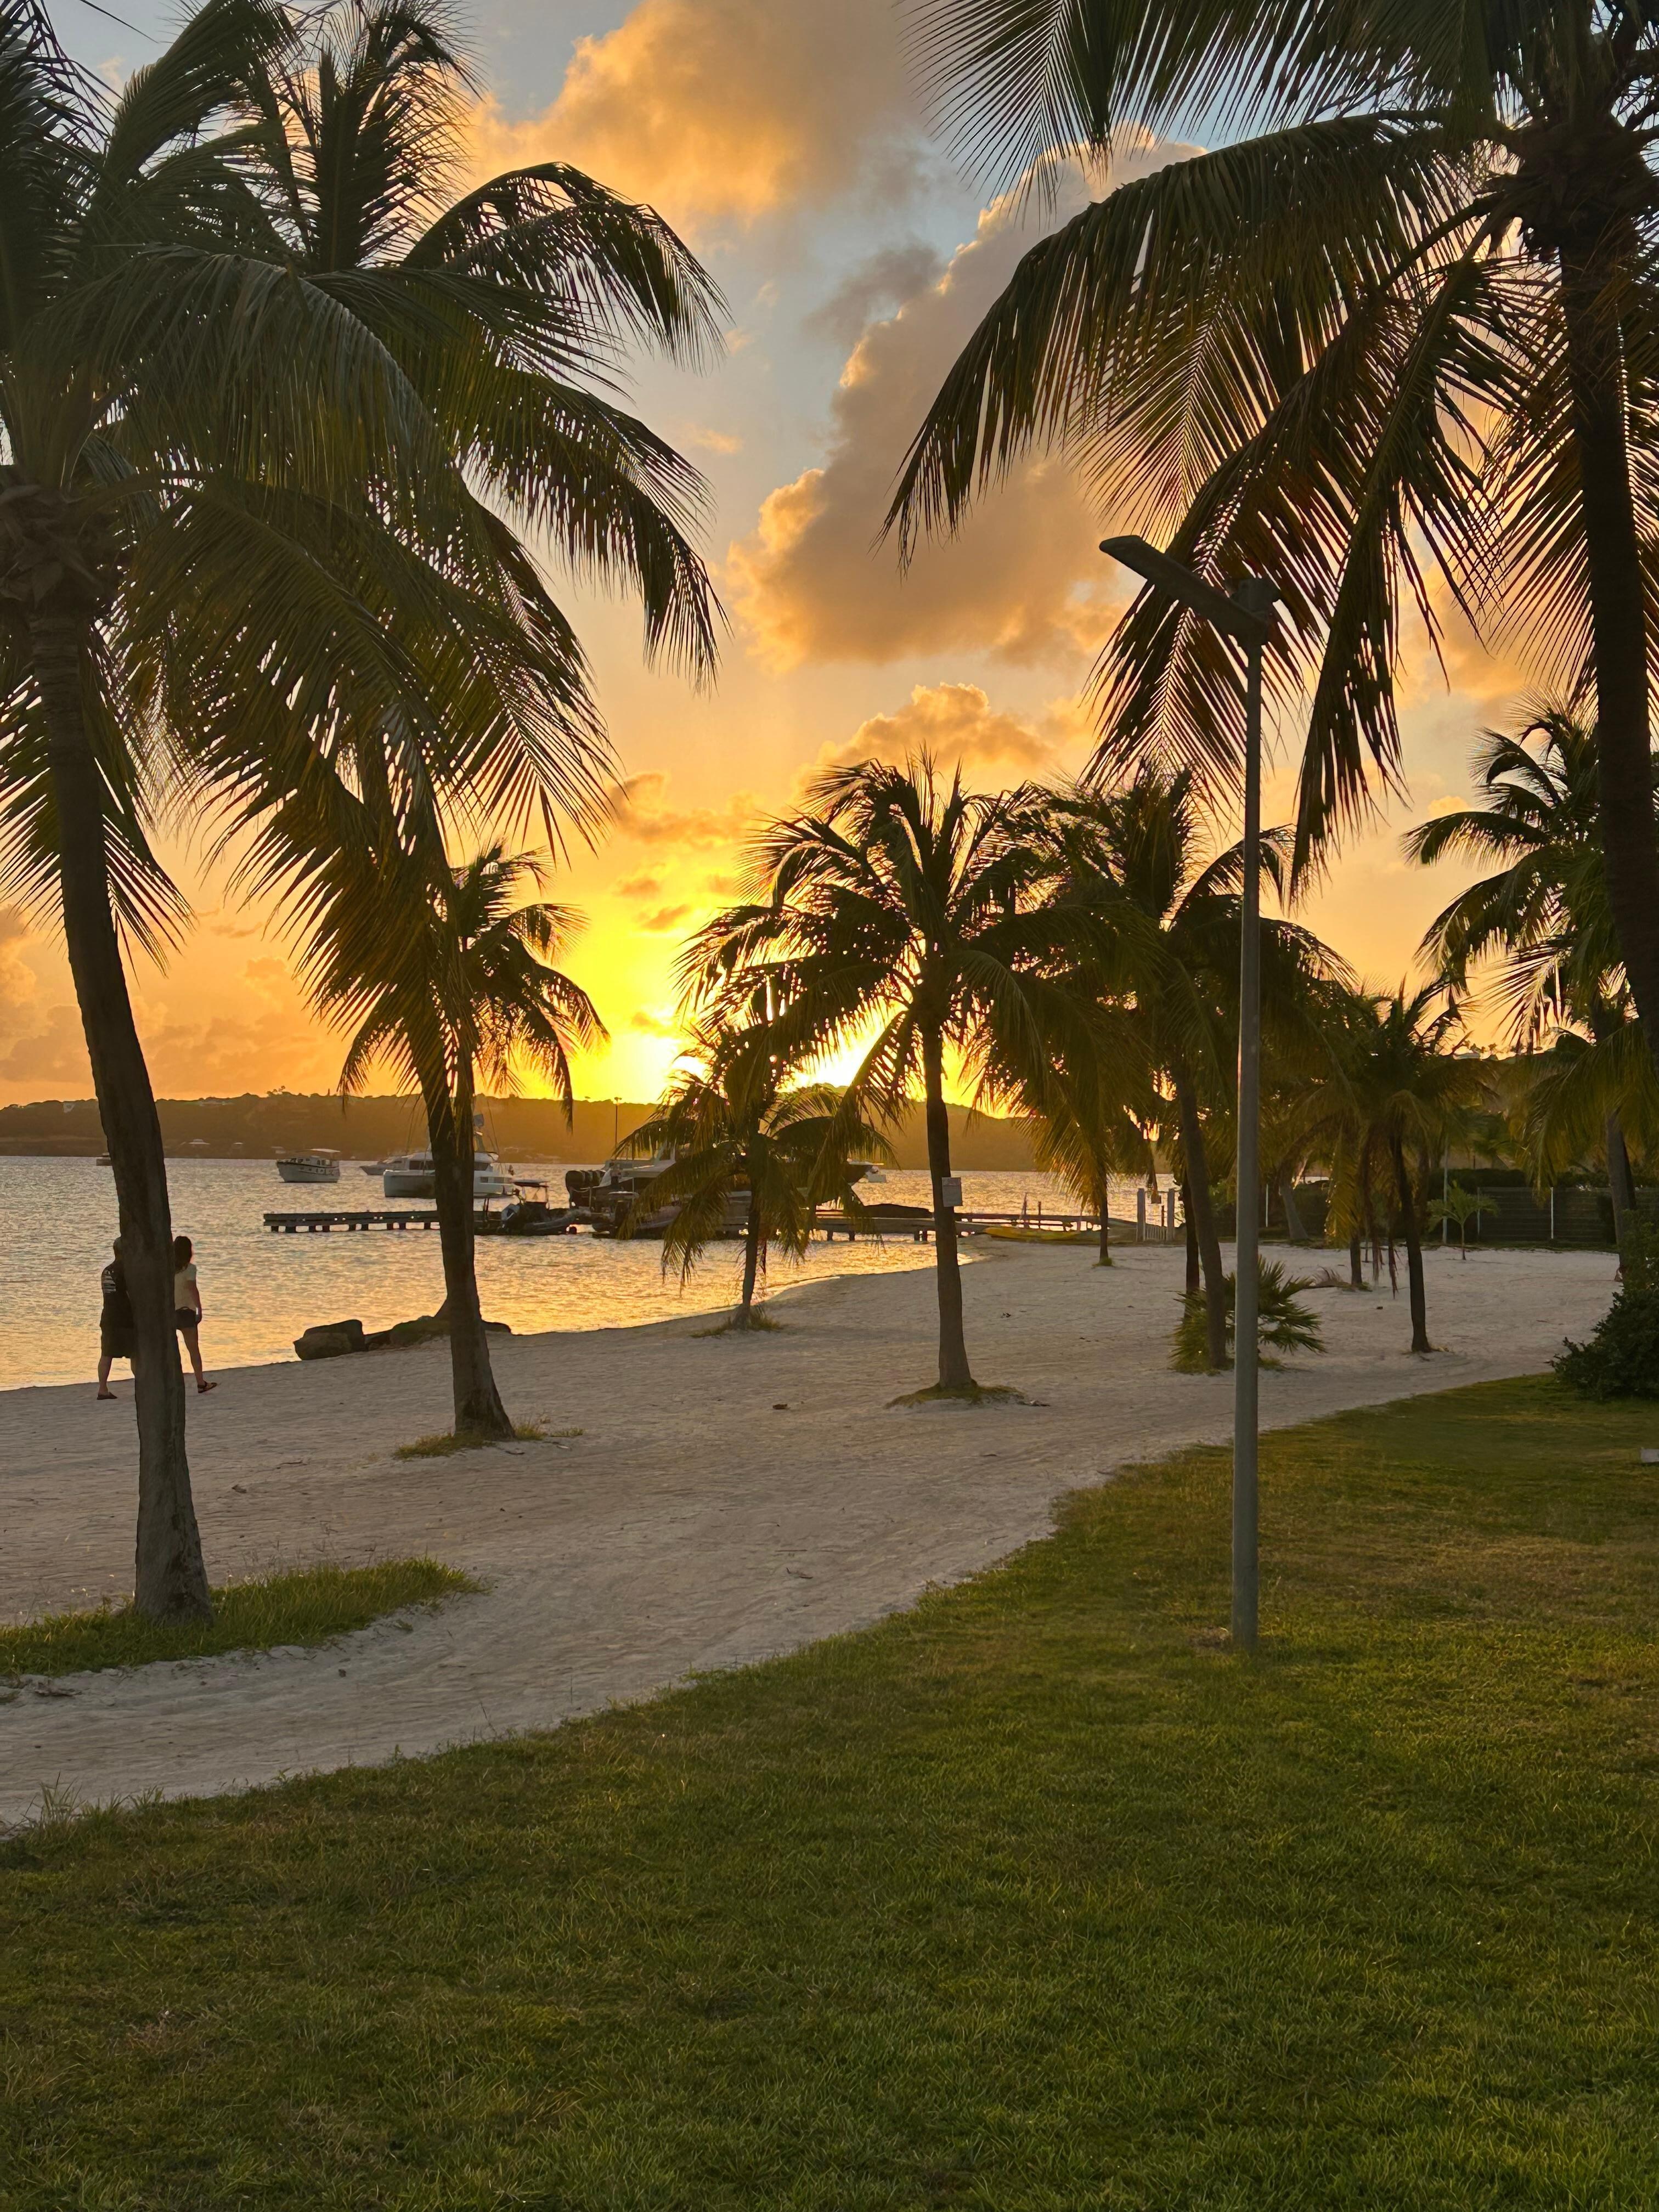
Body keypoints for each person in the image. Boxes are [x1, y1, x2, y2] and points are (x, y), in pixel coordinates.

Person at [174, 1234, 216, 1393]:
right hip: (186, 1312)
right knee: (193, 1350)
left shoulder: (167, 1269)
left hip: (171, 1312)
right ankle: (200, 1382)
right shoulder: (190, 1269)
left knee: (171, 1350)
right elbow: (193, 1289)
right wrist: (199, 1308)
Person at [97, 1238, 134, 1399]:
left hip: (108, 1315)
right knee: (135, 1353)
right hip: (125, 1318)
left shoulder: (107, 1271)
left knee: (107, 1353)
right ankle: (142, 1384)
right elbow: (130, 1295)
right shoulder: (126, 1270)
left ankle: (103, 1388)